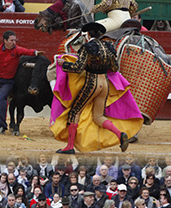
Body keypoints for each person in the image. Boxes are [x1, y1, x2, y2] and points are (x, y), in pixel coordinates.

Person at [50, 23, 143, 153]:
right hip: (104, 83)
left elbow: (78, 68)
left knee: (75, 112)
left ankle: (70, 147)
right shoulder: (109, 47)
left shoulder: (87, 47)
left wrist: (64, 63)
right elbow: (115, 68)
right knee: (98, 116)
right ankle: (119, 134)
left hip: (92, 82)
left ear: (88, 34)